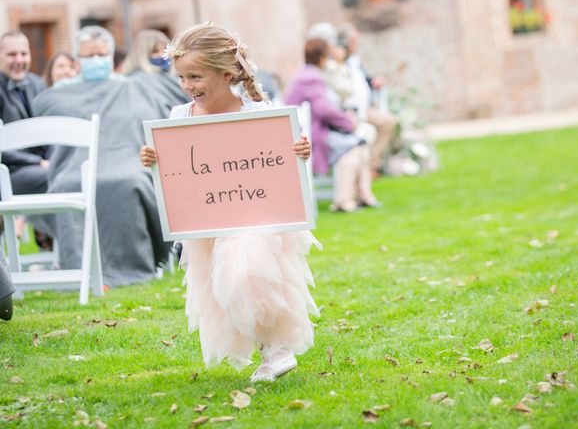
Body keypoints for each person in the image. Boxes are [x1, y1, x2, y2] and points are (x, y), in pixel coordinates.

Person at [139, 22, 318, 383]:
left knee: (248, 273)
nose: (188, 86)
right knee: (225, 290)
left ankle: (276, 351)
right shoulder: (180, 118)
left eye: (195, 77)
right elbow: (177, 169)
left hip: (258, 217)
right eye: (182, 78)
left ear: (226, 74)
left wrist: (298, 151)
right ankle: (269, 352)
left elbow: (281, 163)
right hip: (208, 222)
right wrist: (154, 158)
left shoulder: (258, 113)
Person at [32, 25, 172, 287]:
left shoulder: (134, 89)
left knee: (132, 182)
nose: (96, 60)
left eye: (101, 54)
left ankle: (135, 264)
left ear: (111, 56)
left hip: (126, 163)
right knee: (66, 186)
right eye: (89, 56)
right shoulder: (58, 95)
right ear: (77, 60)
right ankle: (78, 269)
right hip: (75, 168)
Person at [284, 38, 379, 212]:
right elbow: (324, 109)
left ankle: (364, 195)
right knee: (354, 145)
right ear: (321, 57)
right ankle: (342, 201)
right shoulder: (311, 76)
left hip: (315, 130)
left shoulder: (305, 73)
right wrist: (349, 123)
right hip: (311, 135)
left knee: (360, 142)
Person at [338, 25, 398, 176]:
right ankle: (370, 166)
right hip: (352, 109)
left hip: (365, 107)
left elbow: (363, 79)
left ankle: (371, 164)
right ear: (347, 43)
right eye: (354, 41)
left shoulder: (354, 61)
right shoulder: (341, 62)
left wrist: (373, 81)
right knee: (386, 123)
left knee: (389, 122)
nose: (356, 45)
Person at [0, 31, 48, 194]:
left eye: (24, 54)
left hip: (42, 165)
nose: (19, 60)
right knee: (55, 176)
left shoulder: (38, 83)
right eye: (12, 54)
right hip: (9, 171)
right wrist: (36, 162)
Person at [120, 29, 190, 109]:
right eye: (155, 51)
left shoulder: (174, 77)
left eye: (164, 50)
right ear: (141, 54)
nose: (162, 55)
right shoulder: (135, 82)